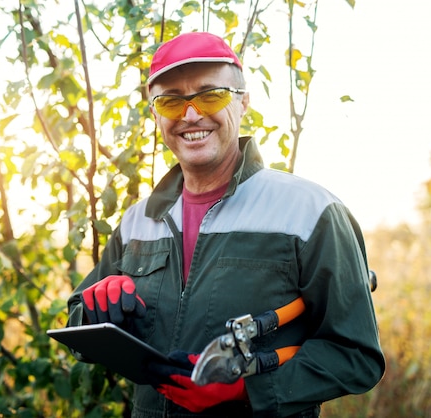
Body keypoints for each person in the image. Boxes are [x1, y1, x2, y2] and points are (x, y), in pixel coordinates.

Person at [66, 31, 385, 417]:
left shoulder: (311, 212)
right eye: (170, 101)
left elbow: (356, 355)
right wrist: (96, 307)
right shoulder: (137, 221)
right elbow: (77, 326)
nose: (190, 115)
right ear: (155, 114)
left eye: (210, 95)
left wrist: (247, 390)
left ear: (243, 101)